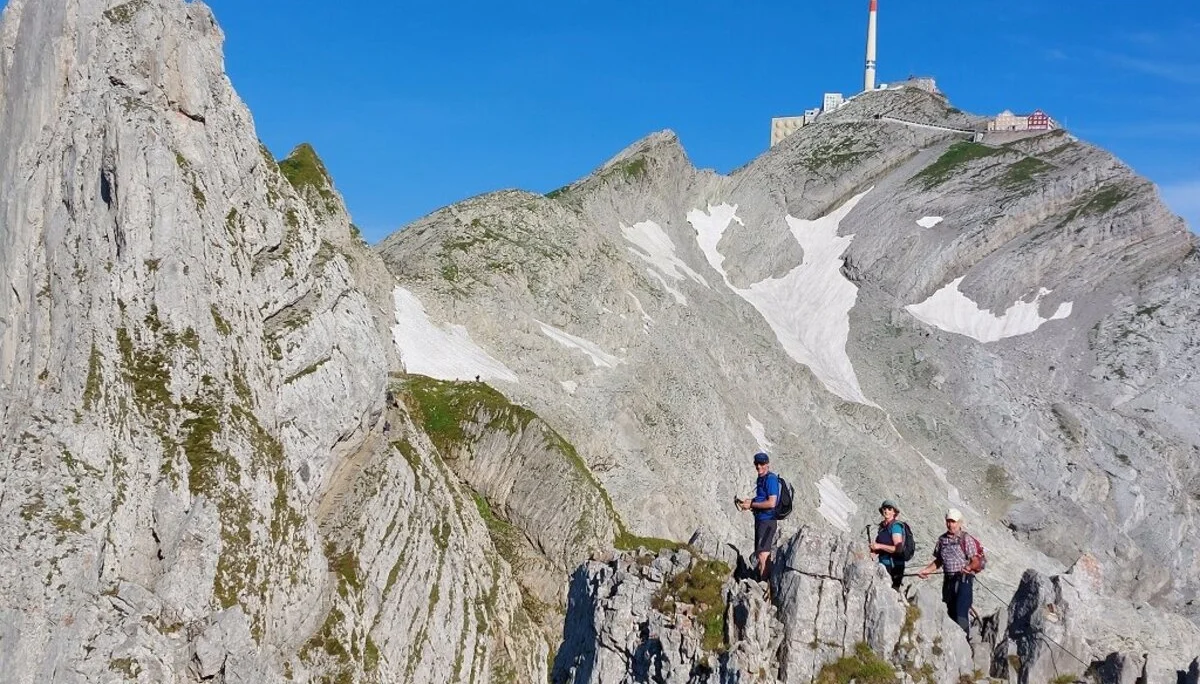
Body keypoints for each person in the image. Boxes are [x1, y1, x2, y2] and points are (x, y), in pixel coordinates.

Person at [917, 508, 983, 638]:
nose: (950, 524)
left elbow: (975, 561)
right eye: (948, 521)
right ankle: (952, 642)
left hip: (964, 579)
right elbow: (939, 561)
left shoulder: (966, 539)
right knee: (949, 610)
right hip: (948, 581)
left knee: (961, 611)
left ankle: (964, 642)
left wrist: (969, 567)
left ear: (959, 523)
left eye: (953, 521)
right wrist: (926, 571)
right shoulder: (942, 540)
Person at [735, 452, 779, 581]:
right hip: (760, 520)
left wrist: (752, 504)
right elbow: (761, 498)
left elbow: (772, 502)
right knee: (760, 553)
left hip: (768, 521)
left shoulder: (771, 479)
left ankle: (765, 584)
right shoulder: (761, 479)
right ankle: (762, 580)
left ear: (767, 464)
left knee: (763, 554)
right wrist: (750, 503)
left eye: (762, 464)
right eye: (757, 464)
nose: (759, 467)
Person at [870, 499, 906, 590]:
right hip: (883, 565)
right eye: (884, 508)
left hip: (894, 567)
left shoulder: (896, 527)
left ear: (894, 512)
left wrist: (879, 546)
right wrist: (874, 551)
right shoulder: (882, 527)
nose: (886, 510)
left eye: (890, 509)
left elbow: (898, 549)